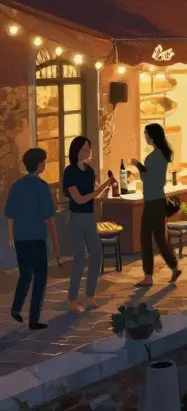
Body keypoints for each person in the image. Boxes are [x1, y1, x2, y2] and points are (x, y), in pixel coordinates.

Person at [6, 148, 58, 329]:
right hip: (36, 238)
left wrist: (11, 236)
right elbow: (48, 218)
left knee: (25, 274)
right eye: (44, 161)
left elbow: (10, 214)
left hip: (21, 238)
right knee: (40, 278)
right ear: (38, 164)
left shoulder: (17, 185)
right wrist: (55, 240)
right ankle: (33, 319)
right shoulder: (42, 187)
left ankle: (16, 307)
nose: (45, 164)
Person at [62, 136, 112, 312]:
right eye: (84, 148)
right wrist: (98, 191)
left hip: (90, 217)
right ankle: (72, 298)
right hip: (77, 217)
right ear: (76, 150)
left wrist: (106, 185)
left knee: (97, 254)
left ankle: (90, 295)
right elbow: (79, 199)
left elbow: (95, 192)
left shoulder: (90, 170)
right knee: (80, 258)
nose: (88, 151)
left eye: (89, 148)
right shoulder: (69, 172)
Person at [132, 123, 181, 286]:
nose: (145, 136)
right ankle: (174, 266)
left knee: (145, 237)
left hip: (152, 202)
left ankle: (148, 276)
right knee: (159, 237)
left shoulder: (152, 157)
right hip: (159, 200)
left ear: (152, 136)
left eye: (146, 134)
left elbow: (148, 179)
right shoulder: (162, 156)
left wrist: (139, 166)